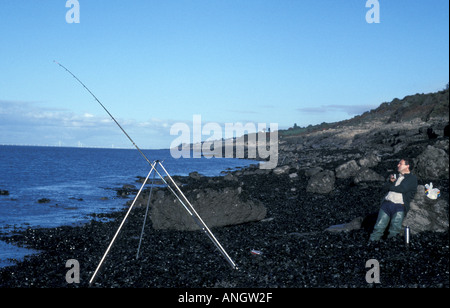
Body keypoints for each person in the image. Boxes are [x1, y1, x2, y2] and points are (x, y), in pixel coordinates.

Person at [369, 159, 418, 242]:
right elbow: (384, 188)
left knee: (394, 231)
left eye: (400, 164)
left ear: (407, 166)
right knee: (378, 227)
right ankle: (371, 245)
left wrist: (390, 187)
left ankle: (391, 249)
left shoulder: (412, 178)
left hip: (399, 207)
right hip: (386, 204)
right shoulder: (395, 176)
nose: (398, 165)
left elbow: (402, 189)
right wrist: (390, 182)